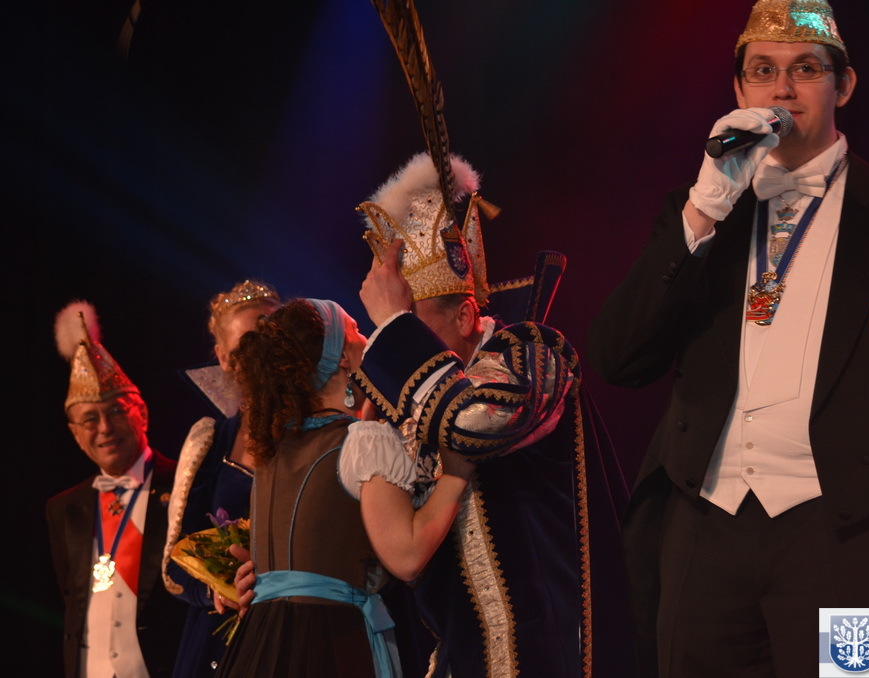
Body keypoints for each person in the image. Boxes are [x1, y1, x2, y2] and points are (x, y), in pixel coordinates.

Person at [586, 0, 869, 676]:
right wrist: (704, 211)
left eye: (805, 69)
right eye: (762, 71)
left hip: (847, 533)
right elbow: (617, 358)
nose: (782, 89)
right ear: (739, 89)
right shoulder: (704, 210)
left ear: (844, 85)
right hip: (706, 528)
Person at [351, 151, 634, 677]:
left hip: (555, 653)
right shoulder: (415, 398)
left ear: (465, 315)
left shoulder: (533, 353)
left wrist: (393, 327)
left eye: (413, 322)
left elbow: (473, 421)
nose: (404, 340)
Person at [214, 297, 418, 677]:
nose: (367, 338)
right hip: (331, 641)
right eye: (357, 330)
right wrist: (456, 473)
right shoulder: (361, 441)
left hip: (260, 643)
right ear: (342, 357)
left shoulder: (272, 450)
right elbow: (407, 557)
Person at [47, 300, 186, 678]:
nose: (105, 428)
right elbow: (72, 604)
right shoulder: (64, 508)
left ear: (142, 413)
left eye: (116, 411)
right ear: (76, 435)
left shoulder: (187, 483)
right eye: (90, 419)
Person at [161, 280, 281, 678]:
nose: (265, 350)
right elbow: (176, 562)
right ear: (224, 358)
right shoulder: (211, 442)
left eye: (273, 333)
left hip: (297, 618)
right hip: (221, 635)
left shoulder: (323, 431)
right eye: (249, 343)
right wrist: (215, 589)